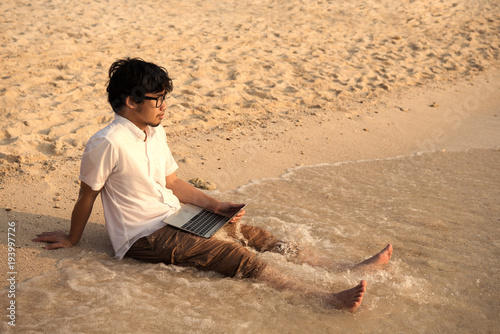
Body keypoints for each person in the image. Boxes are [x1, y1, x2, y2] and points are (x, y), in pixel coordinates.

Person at [33, 57, 393, 313]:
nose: (164, 107)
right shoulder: (107, 142)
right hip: (142, 235)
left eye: (164, 98)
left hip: (174, 216)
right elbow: (87, 196)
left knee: (255, 235)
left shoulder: (153, 132)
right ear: (131, 102)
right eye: (158, 99)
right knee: (232, 255)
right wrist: (73, 238)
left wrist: (215, 206)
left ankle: (348, 266)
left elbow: (172, 181)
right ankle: (324, 298)